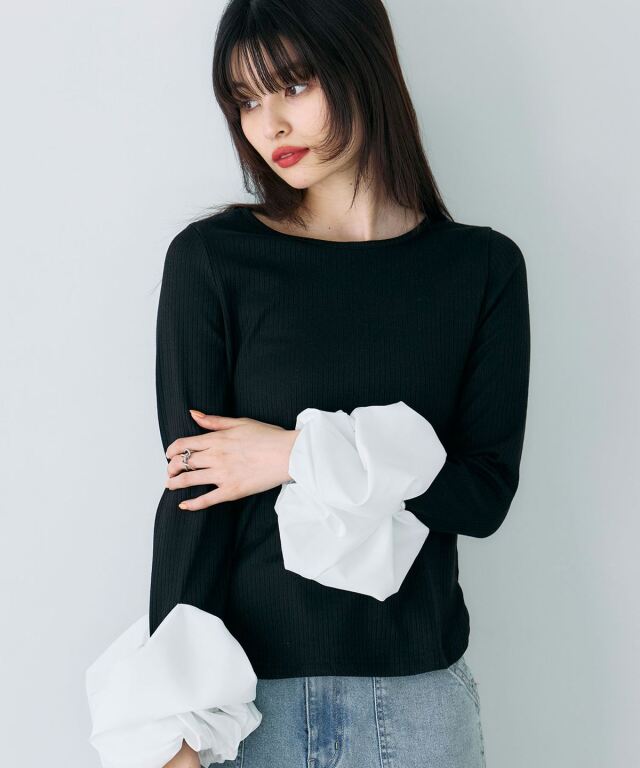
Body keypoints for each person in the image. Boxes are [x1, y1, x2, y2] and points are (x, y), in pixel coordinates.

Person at [85, 2, 531, 767]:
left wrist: (292, 454)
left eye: (293, 85)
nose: (271, 125)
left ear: (363, 64)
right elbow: (193, 501)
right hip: (252, 714)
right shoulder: (214, 261)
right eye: (246, 100)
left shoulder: (481, 269)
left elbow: (481, 497)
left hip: (422, 709)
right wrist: (172, 730)